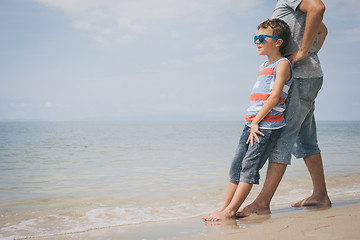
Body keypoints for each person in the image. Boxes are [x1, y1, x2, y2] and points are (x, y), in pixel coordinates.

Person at [237, 0, 331, 218]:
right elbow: (323, 31)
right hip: (309, 76)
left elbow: (318, 8)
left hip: (298, 78)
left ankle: (262, 202)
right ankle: (320, 194)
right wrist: (309, 55)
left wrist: (302, 53)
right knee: (306, 140)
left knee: (283, 139)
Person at [202, 18, 292, 221]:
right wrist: (252, 122)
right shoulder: (264, 65)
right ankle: (224, 207)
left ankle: (231, 211)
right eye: (256, 38)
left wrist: (256, 122)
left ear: (278, 42)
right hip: (252, 123)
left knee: (249, 168)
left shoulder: (283, 64)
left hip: (264, 126)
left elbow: (275, 97)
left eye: (262, 38)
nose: (257, 42)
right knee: (236, 166)